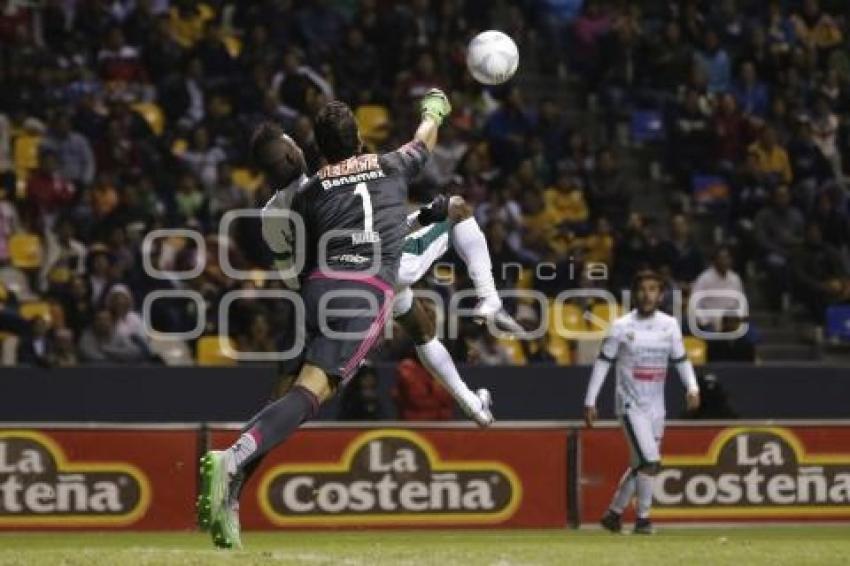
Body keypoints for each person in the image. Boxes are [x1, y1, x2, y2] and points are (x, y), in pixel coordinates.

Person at [198, 89, 452, 550]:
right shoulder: (389, 164)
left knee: (291, 396)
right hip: (363, 292)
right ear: (357, 138)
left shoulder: (302, 198)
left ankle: (233, 488)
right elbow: (423, 141)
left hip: (315, 291)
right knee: (310, 395)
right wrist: (434, 109)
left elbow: (316, 245)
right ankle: (233, 457)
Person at [583, 270, 700, 535]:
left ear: (660, 295)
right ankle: (643, 520)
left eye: (652, 289)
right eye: (642, 289)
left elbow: (681, 360)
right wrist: (590, 401)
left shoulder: (669, 325)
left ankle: (613, 514)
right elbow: (603, 363)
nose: (647, 294)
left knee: (641, 464)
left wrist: (692, 387)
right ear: (634, 294)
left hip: (657, 407)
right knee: (650, 461)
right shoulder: (622, 326)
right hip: (629, 405)